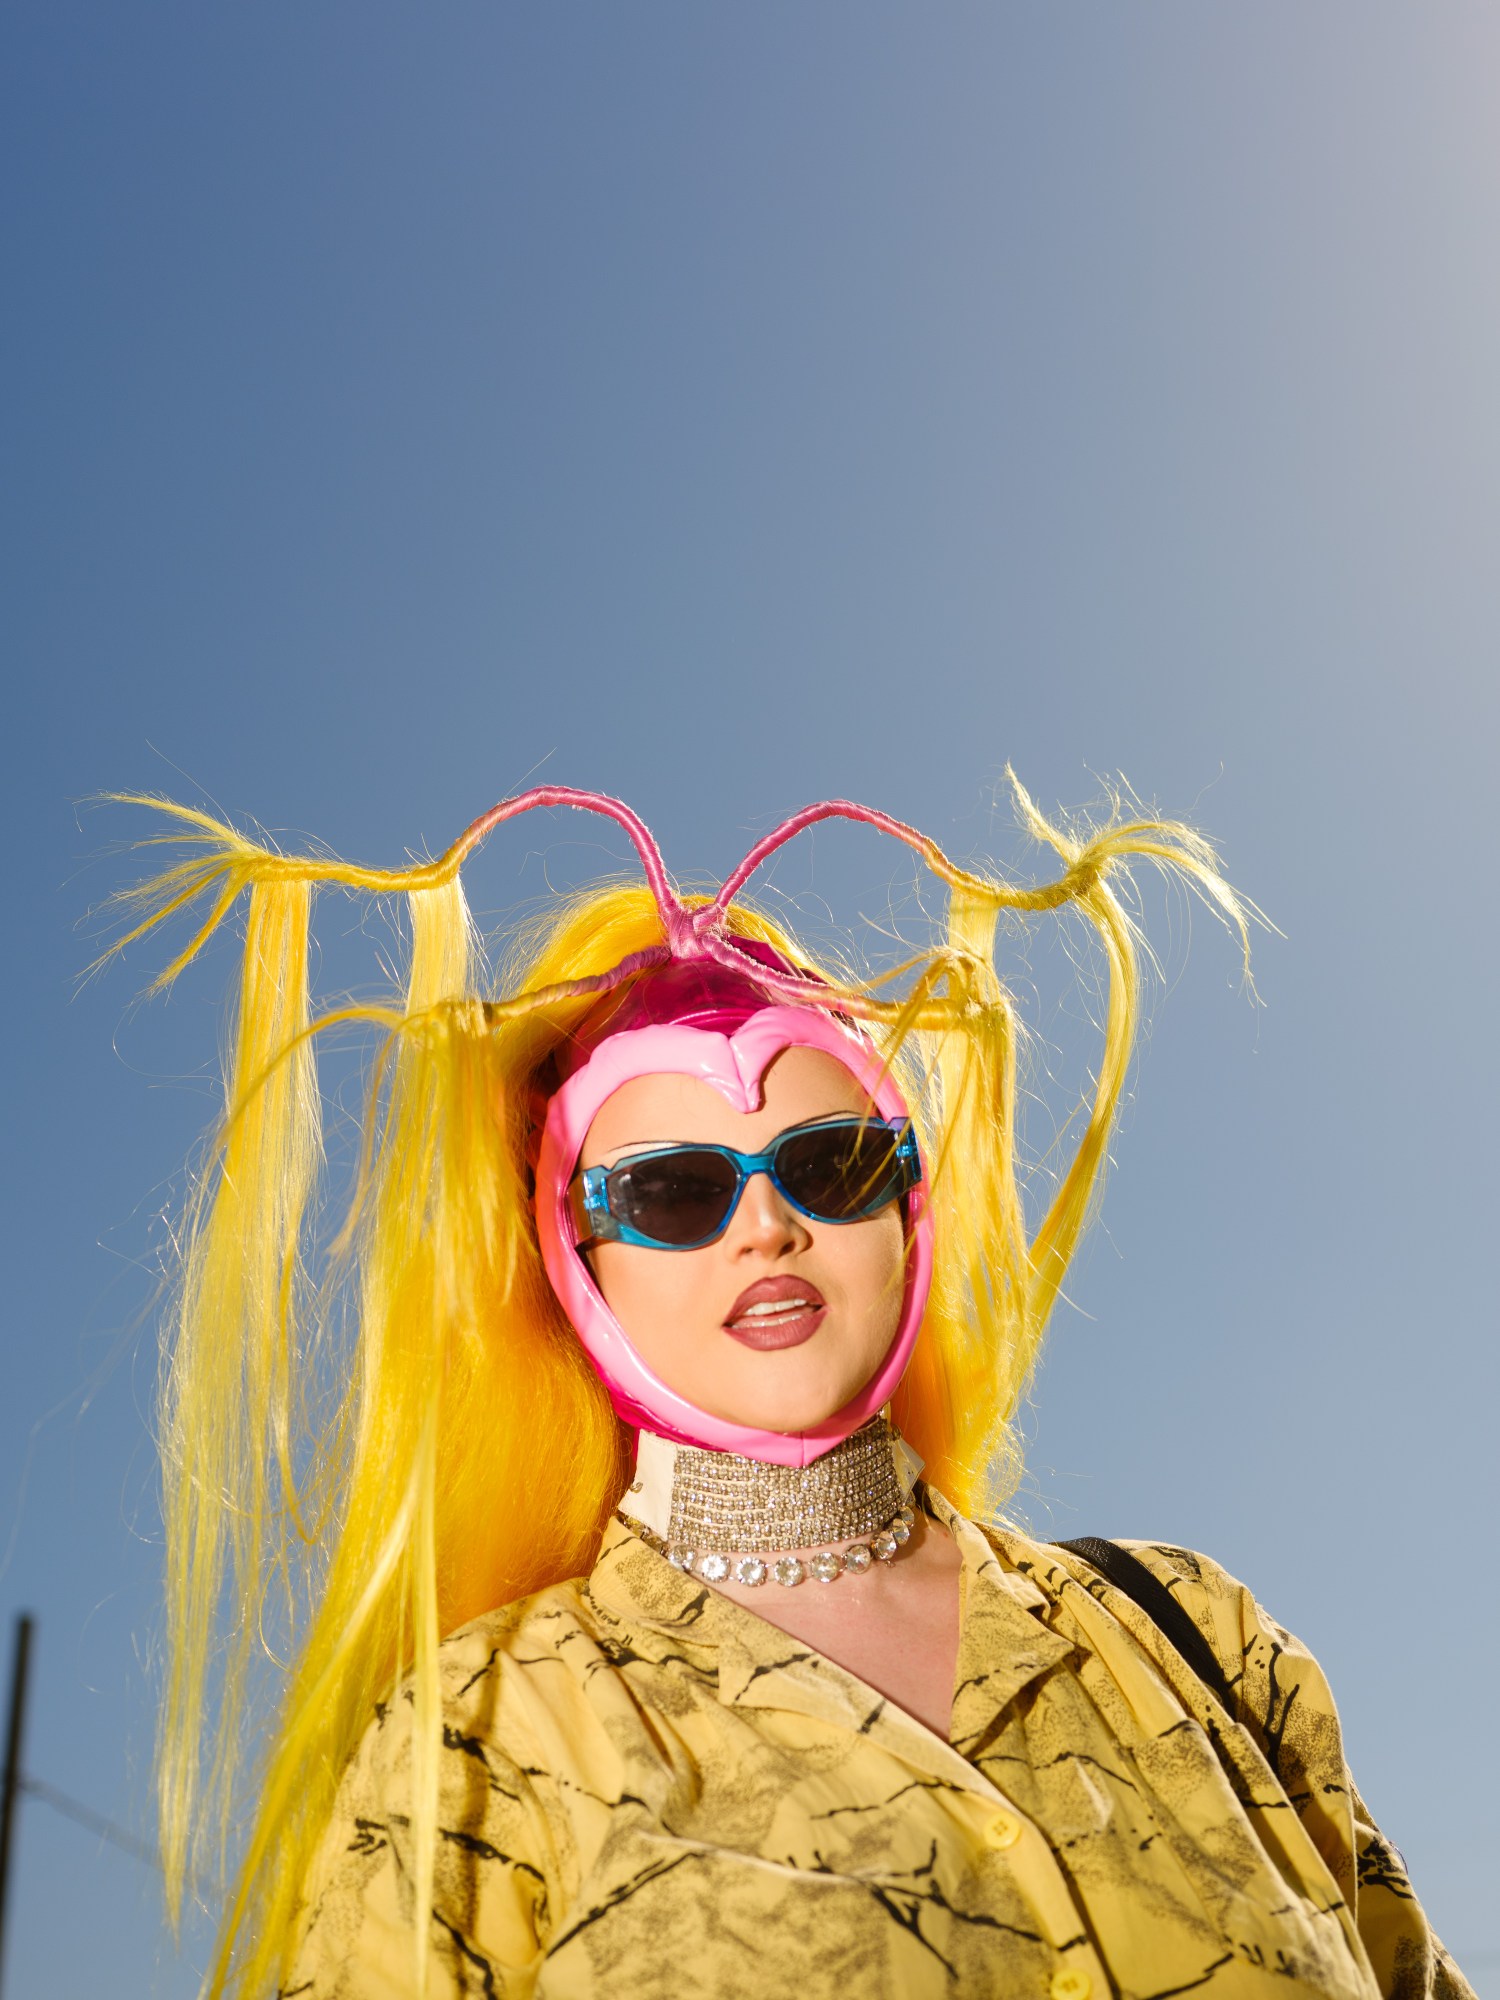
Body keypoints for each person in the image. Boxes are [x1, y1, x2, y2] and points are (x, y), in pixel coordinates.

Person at [106, 782, 1471, 2000]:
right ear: (570, 1261)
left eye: (828, 1166)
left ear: (906, 1213)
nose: (764, 1228)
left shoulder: (1198, 1638)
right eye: (676, 1193)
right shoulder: (478, 1742)